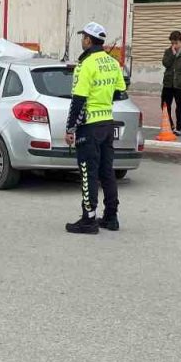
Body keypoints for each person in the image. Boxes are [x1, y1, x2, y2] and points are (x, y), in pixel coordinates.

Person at [65, 22, 126, 234]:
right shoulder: (112, 62)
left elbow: (78, 99)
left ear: (89, 40)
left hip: (89, 126)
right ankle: (111, 217)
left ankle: (88, 220)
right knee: (106, 171)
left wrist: (70, 129)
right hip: (107, 123)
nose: (82, 40)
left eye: (83, 37)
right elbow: (120, 93)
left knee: (87, 172)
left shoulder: (87, 64)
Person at [160, 30, 181, 135]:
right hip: (168, 83)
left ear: (180, 42)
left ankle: (179, 127)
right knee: (165, 105)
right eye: (172, 43)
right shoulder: (168, 52)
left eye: (176, 43)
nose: (174, 45)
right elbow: (165, 63)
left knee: (179, 106)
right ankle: (170, 124)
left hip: (179, 84)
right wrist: (173, 55)